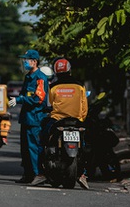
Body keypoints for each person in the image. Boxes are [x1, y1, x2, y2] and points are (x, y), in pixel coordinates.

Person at [44, 58, 89, 189]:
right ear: (69, 70)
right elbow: (84, 107)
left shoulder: (53, 87)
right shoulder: (80, 86)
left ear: (56, 72)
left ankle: (41, 171)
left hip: (57, 120)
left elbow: (49, 104)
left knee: (43, 137)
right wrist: (81, 119)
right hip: (76, 121)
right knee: (84, 143)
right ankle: (83, 174)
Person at [8, 49, 49, 186]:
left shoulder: (40, 78)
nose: (24, 62)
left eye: (27, 60)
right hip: (26, 117)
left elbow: (39, 99)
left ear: (34, 61)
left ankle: (39, 174)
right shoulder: (28, 77)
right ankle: (28, 173)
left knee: (34, 148)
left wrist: (20, 99)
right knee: (25, 149)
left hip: (35, 118)